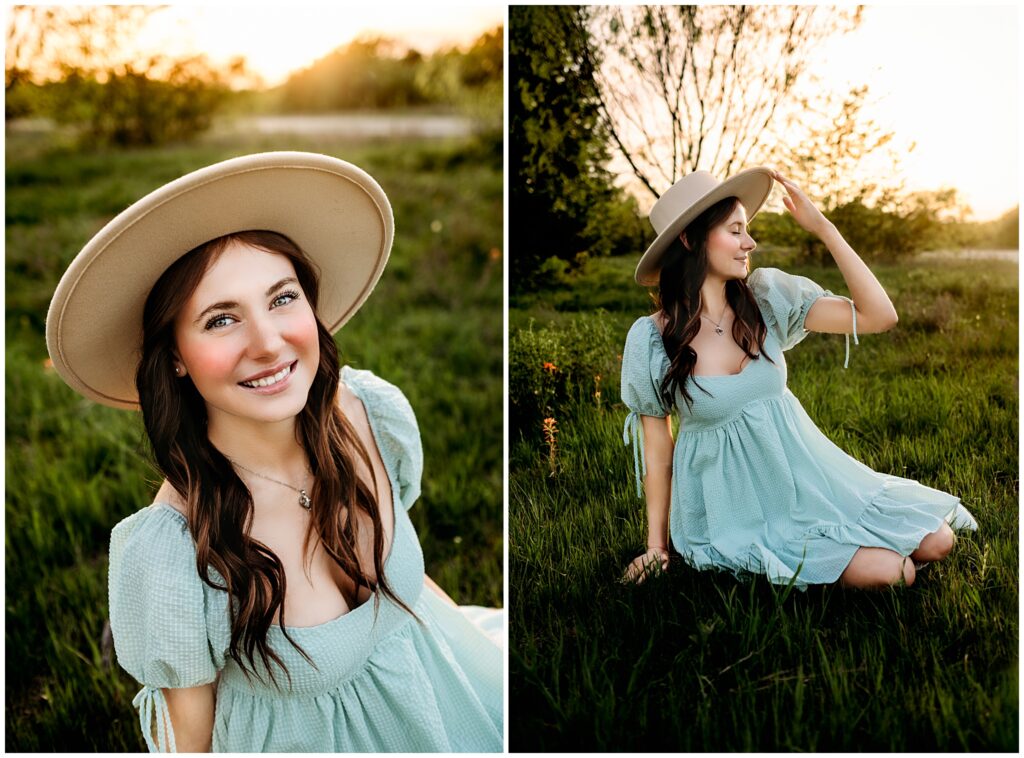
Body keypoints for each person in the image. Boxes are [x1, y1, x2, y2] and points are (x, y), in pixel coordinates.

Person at [45, 152, 503, 752]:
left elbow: (412, 595)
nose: (268, 343)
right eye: (219, 320)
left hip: (449, 698)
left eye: (282, 298)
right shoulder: (173, 550)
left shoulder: (367, 412)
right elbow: (193, 743)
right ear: (175, 356)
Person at [620, 167, 977, 588]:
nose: (749, 242)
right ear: (690, 239)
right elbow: (659, 452)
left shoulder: (766, 300)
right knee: (896, 572)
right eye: (736, 231)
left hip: (805, 479)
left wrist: (824, 228)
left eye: (747, 230)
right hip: (735, 509)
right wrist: (657, 547)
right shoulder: (653, 339)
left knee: (939, 540)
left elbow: (879, 317)